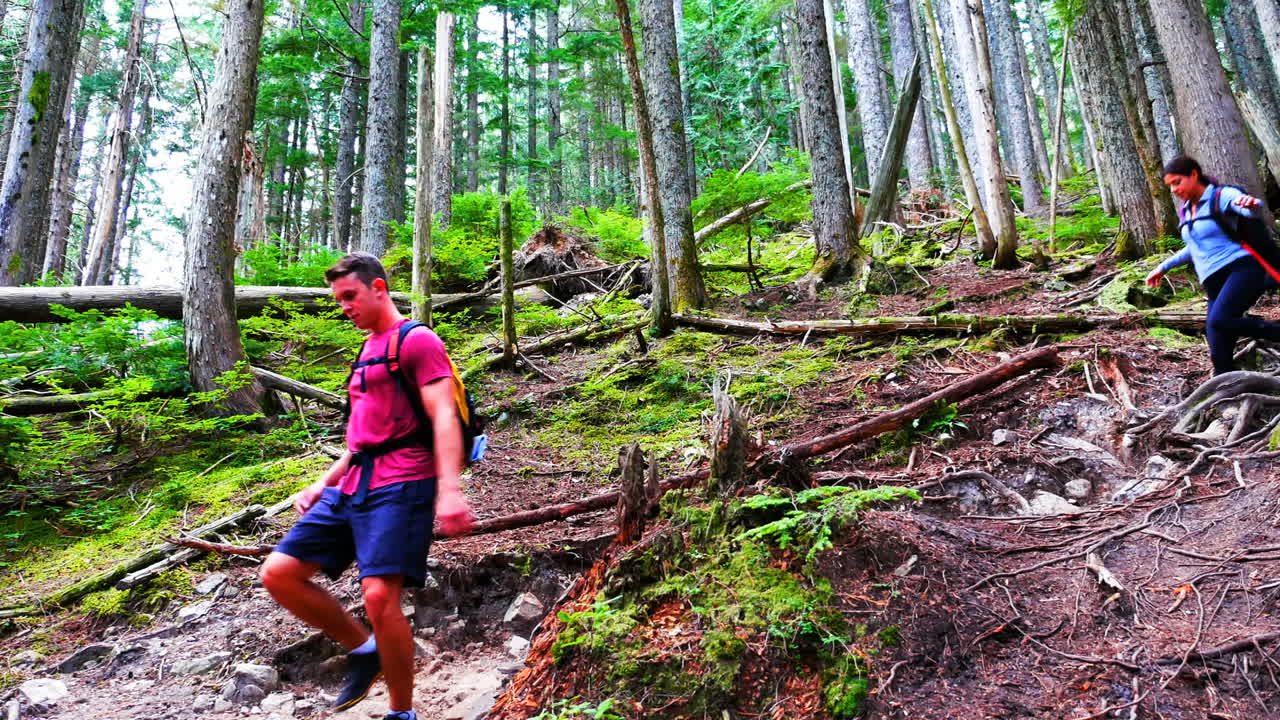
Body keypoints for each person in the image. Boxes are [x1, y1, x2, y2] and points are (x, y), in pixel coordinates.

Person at [260, 252, 475, 720]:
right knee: (278, 573)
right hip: (354, 485)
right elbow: (361, 440)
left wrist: (450, 489)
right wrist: (322, 483)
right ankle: (368, 649)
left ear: (379, 287)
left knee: (379, 595)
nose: (344, 307)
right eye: (338, 300)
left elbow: (442, 416)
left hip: (405, 481)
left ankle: (401, 712)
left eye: (350, 296)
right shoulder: (366, 351)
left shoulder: (416, 342)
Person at [1145, 155, 1280, 375]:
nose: (1173, 190)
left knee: (1221, 320)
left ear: (1194, 175)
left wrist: (1250, 204)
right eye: (1170, 185)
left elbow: (1244, 206)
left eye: (1177, 182)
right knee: (1217, 341)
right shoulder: (1187, 211)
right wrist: (1163, 267)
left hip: (1241, 269)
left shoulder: (1221, 196)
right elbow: (1193, 248)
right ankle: (1228, 384)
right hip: (1212, 281)